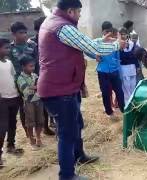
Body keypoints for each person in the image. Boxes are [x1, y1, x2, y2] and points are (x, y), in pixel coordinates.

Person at [37, 0, 125, 179]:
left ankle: (79, 155)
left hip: (66, 87)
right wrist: (117, 45)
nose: (80, 15)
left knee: (76, 126)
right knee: (66, 134)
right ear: (70, 11)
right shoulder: (62, 27)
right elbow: (94, 48)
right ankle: (67, 175)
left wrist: (101, 41)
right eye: (78, 12)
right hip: (59, 90)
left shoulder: (54, 22)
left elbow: (83, 44)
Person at [88, 21, 125, 120]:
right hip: (103, 72)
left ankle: (124, 110)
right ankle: (109, 112)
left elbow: (118, 57)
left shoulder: (115, 42)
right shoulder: (98, 42)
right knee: (105, 93)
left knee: (120, 92)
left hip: (114, 72)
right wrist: (94, 55)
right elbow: (88, 50)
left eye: (110, 31)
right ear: (103, 31)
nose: (108, 33)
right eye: (106, 31)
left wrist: (119, 71)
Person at [9, 21, 37, 145]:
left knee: (36, 106)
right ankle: (27, 132)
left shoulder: (32, 46)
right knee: (23, 108)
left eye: (25, 32)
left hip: (33, 82)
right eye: (21, 33)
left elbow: (37, 64)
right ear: (13, 34)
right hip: (17, 84)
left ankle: (40, 130)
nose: (24, 35)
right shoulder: (9, 49)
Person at [29, 16, 56, 136]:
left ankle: (51, 122)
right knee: (40, 104)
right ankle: (43, 127)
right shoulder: (31, 43)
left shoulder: (50, 39)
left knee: (51, 101)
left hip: (49, 75)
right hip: (36, 77)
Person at [0, 38, 24, 167]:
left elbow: (14, 78)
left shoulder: (9, 62)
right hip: (2, 99)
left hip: (13, 96)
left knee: (12, 123)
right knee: (2, 127)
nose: (8, 50)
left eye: (9, 48)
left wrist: (20, 92)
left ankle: (11, 145)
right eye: (5, 48)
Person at [16, 56, 44, 151]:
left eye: (33, 66)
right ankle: (31, 139)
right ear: (23, 67)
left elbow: (41, 86)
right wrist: (36, 87)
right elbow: (26, 91)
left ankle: (38, 137)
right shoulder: (20, 78)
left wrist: (33, 87)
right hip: (28, 103)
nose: (32, 68)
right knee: (30, 121)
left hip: (38, 100)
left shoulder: (35, 75)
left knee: (40, 120)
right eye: (30, 66)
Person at [119, 27, 140, 104]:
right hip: (124, 68)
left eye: (124, 34)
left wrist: (137, 66)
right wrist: (129, 55)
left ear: (127, 35)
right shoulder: (118, 45)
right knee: (126, 86)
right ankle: (127, 103)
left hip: (132, 68)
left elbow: (135, 57)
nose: (123, 36)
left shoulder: (132, 43)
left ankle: (132, 102)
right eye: (121, 34)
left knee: (133, 85)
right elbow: (122, 57)